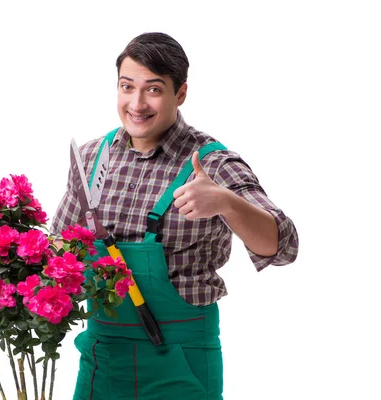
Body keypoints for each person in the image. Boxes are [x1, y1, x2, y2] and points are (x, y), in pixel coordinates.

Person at [50, 32, 299, 400]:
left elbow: (283, 246)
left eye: (153, 89)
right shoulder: (91, 158)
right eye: (126, 86)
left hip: (181, 361)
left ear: (180, 93)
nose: (136, 103)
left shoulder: (210, 163)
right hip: (103, 360)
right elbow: (59, 247)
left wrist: (227, 203)